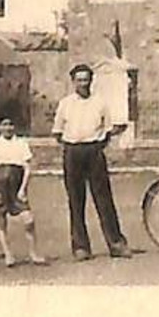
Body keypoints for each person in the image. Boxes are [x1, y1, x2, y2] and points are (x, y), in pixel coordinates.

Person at [51, 64, 130, 260]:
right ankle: (81, 247)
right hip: (73, 152)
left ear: (91, 81)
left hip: (94, 152)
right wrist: (72, 146)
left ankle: (116, 243)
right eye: (79, 80)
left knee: (104, 199)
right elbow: (57, 132)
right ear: (73, 82)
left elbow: (108, 129)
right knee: (76, 201)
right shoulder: (65, 104)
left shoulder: (100, 102)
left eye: (86, 79)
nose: (83, 84)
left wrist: (96, 145)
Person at [0, 115, 46, 267]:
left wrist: (23, 189)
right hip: (0, 184)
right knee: (1, 220)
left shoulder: (21, 144)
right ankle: (8, 255)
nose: (7, 128)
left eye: (10, 124)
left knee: (29, 220)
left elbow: (27, 168)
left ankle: (34, 253)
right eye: (4, 125)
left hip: (16, 184)